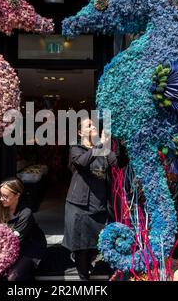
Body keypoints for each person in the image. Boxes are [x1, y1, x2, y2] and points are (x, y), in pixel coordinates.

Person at [62, 117, 121, 280]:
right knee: (81, 243)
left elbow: (115, 163)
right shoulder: (76, 148)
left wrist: (106, 145)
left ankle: (88, 261)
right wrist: (99, 144)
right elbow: (82, 163)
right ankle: (83, 275)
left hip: (100, 203)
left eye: (94, 125)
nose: (93, 127)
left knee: (97, 241)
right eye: (88, 126)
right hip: (79, 204)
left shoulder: (101, 147)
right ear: (80, 132)